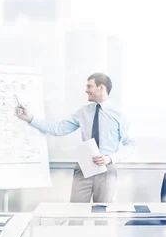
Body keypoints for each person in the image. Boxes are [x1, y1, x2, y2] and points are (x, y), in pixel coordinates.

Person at [16, 73, 136, 203]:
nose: (86, 90)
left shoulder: (119, 114)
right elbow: (58, 129)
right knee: (75, 212)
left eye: (89, 86)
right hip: (84, 167)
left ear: (101, 88)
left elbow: (130, 145)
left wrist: (109, 158)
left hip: (107, 169)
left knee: (102, 215)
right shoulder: (83, 112)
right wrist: (30, 119)